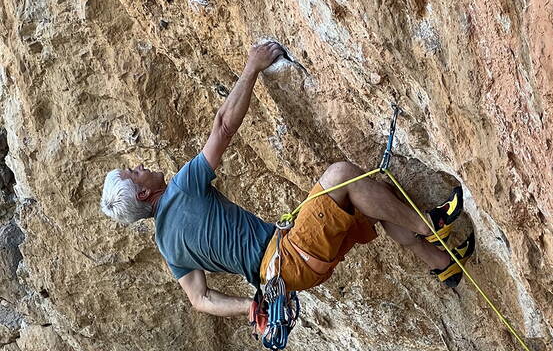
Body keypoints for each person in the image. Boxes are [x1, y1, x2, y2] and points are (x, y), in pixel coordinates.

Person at [100, 41, 474, 329]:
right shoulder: (182, 188)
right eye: (133, 174)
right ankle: (430, 225)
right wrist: (252, 67)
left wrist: (249, 306)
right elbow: (223, 128)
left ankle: (444, 265)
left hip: (288, 273)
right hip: (290, 254)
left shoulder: (167, 247)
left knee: (365, 196)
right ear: (145, 194)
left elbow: (199, 299)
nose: (138, 166)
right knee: (343, 176)